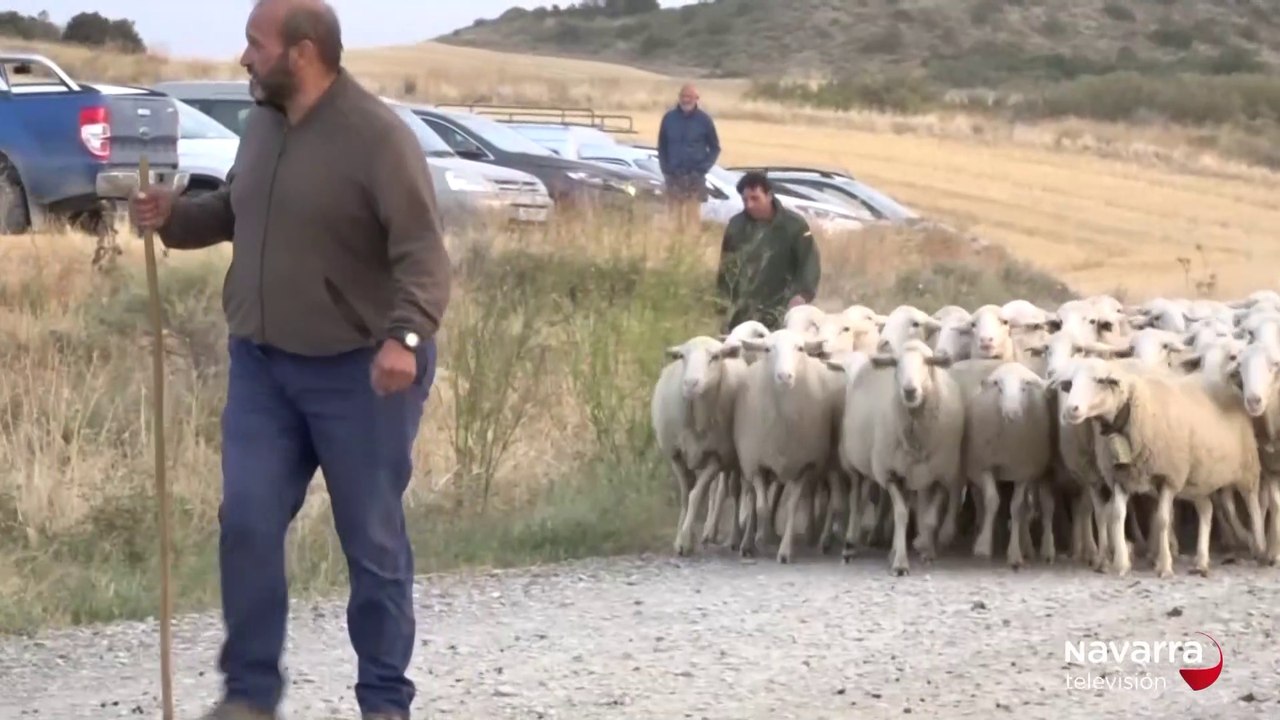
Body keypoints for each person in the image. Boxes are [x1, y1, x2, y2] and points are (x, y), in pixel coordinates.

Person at [128, 1, 450, 719]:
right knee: (246, 519)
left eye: (256, 43)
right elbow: (236, 212)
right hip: (263, 367)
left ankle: (384, 701)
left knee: (371, 543)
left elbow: (424, 255)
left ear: (303, 51)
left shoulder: (377, 138)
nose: (244, 57)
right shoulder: (264, 125)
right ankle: (249, 695)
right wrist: (172, 218)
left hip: (361, 372)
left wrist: (405, 337)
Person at [714, 171, 820, 332]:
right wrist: (722, 307)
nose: (749, 205)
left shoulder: (794, 225)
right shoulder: (736, 226)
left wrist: (802, 295)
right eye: (745, 200)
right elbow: (726, 270)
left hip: (782, 308)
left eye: (755, 198)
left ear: (769, 196)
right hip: (743, 313)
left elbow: (809, 263)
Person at [657, 82, 720, 233]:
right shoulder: (669, 118)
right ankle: (674, 244)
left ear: (696, 98)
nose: (686, 100)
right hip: (673, 176)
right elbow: (662, 146)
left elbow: (715, 148)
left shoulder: (705, 120)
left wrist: (702, 169)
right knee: (673, 219)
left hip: (694, 177)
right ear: (679, 97)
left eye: (689, 97)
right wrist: (665, 169)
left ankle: (691, 244)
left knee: (692, 220)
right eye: (683, 96)